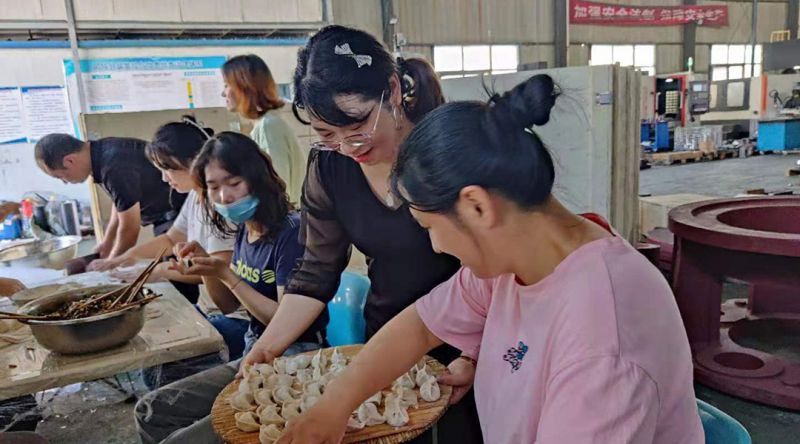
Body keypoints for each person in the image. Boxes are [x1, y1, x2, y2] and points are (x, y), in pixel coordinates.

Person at [276, 74, 704, 444]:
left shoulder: (602, 343)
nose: (437, 247)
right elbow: (420, 325)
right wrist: (332, 406)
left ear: (477, 207)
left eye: (430, 229)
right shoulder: (518, 262)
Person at [240, 25, 482, 443]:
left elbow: (493, 266)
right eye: (326, 135)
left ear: (391, 89)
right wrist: (270, 343)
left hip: (471, 337)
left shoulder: (443, 148)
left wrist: (475, 352)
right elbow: (316, 268)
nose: (349, 146)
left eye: (356, 125)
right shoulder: (330, 167)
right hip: (388, 344)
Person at [134, 132, 327, 444]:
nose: (224, 196)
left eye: (233, 183)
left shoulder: (292, 234)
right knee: (150, 410)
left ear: (258, 179)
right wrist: (207, 266)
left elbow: (284, 320)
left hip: (295, 360)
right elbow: (227, 306)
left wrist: (227, 273)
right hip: (255, 353)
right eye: (213, 187)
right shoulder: (244, 232)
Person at [87, 117, 250, 360]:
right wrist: (122, 260)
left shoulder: (221, 206)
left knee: (157, 363)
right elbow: (171, 239)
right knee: (145, 344)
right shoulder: (196, 197)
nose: (164, 178)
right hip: (207, 308)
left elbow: (219, 272)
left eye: (169, 169)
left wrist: (158, 271)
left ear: (196, 161)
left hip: (236, 318)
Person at [34, 133, 185, 259]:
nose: (65, 182)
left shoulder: (113, 166)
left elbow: (129, 228)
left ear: (70, 161)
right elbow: (120, 203)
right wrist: (107, 242)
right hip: (167, 216)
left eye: (61, 176)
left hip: (178, 214)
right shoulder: (99, 152)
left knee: (178, 278)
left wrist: (112, 261)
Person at [221, 54, 306, 204]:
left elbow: (278, 188)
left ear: (244, 87)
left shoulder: (269, 126)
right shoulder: (266, 124)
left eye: (227, 85)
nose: (223, 93)